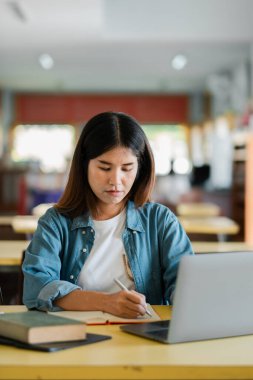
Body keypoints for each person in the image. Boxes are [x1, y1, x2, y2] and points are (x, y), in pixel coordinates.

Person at [22, 111, 194, 318]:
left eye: (127, 168)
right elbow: (37, 288)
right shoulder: (55, 223)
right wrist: (106, 302)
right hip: (76, 337)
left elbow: (186, 283)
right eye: (104, 167)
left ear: (140, 169)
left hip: (146, 338)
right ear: (84, 165)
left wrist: (189, 296)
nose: (116, 180)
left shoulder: (160, 221)